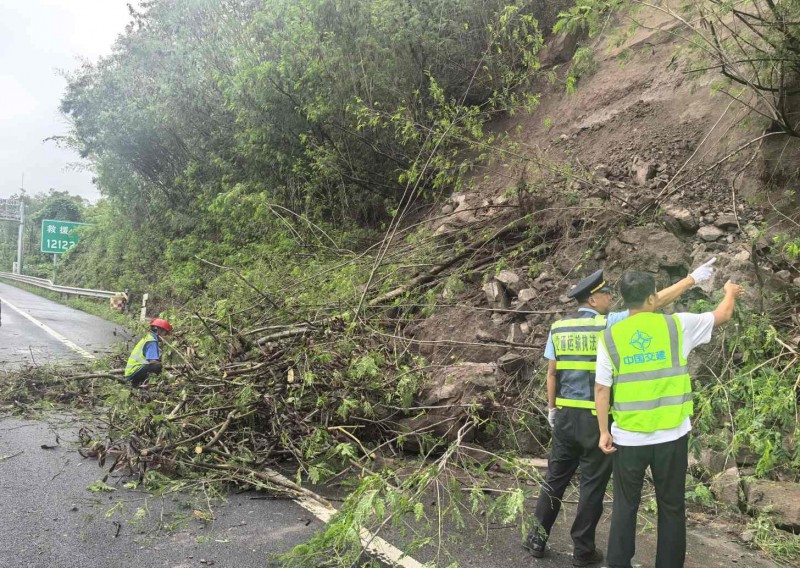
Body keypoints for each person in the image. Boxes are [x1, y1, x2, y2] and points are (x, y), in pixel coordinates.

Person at [525, 258, 716, 566]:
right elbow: (649, 305)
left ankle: (536, 537)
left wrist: (551, 409)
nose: (610, 298)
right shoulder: (610, 324)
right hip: (594, 418)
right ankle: (583, 550)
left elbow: (552, 373)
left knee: (555, 478)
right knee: (592, 484)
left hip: (564, 417)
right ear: (592, 299)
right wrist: (690, 280)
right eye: (605, 295)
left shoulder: (559, 328)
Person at [595, 273, 744, 568]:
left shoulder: (610, 336)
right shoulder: (677, 325)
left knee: (625, 505)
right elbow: (723, 314)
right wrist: (729, 291)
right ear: (652, 298)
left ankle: (618, 563)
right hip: (672, 436)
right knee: (672, 506)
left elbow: (602, 387)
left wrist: (603, 432)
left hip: (629, 437)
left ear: (624, 300)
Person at [124, 318, 173, 388]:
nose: (165, 336)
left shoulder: (148, 337)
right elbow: (152, 361)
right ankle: (141, 385)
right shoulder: (152, 341)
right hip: (134, 373)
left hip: (131, 371)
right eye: (165, 333)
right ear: (159, 331)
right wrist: (167, 374)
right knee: (157, 366)